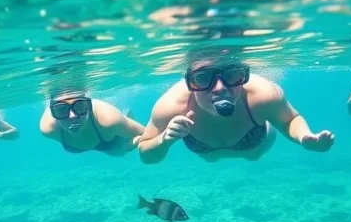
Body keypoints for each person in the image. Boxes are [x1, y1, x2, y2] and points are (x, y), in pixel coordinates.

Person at [137, 48, 334, 164]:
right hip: (215, 156)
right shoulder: (171, 106)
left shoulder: (263, 94)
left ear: (243, 76)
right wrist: (163, 140)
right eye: (203, 78)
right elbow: (146, 154)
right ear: (190, 82)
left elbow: (289, 119)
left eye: (232, 75)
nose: (220, 88)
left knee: (255, 153)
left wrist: (304, 137)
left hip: (256, 150)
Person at [39, 90, 145, 155]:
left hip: (112, 139)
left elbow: (145, 132)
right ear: (53, 113)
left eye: (80, 107)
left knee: (120, 152)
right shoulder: (49, 128)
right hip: (103, 137)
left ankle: (126, 119)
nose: (72, 116)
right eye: (61, 110)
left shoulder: (108, 120)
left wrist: (135, 142)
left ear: (89, 107)